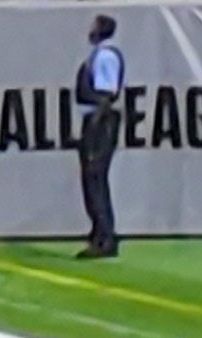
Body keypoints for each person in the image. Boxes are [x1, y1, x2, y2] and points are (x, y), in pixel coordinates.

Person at [76, 15, 125, 259]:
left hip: (101, 120)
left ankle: (105, 237)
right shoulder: (99, 54)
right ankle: (99, 230)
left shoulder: (106, 56)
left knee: (96, 176)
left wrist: (95, 127)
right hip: (98, 119)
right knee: (92, 178)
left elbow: (106, 95)